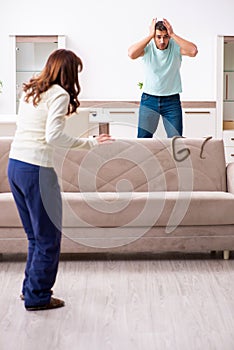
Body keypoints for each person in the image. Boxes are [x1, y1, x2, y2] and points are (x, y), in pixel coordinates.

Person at [7, 49, 113, 311]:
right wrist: (88, 144)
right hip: (36, 170)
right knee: (49, 239)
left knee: (35, 236)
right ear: (68, 72)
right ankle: (38, 297)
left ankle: (30, 290)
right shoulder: (60, 95)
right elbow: (53, 136)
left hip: (15, 165)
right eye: (76, 71)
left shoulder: (31, 90)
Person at [128, 18, 198, 138]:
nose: (162, 41)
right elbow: (131, 54)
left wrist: (173, 34)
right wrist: (150, 35)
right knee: (143, 140)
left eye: (165, 37)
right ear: (154, 37)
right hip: (149, 100)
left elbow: (193, 51)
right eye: (158, 36)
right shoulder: (148, 48)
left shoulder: (175, 47)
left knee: (176, 142)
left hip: (172, 101)